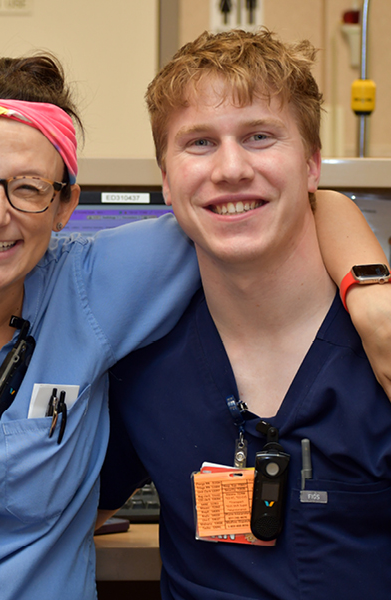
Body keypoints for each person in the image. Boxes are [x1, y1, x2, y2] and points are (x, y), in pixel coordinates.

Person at [0, 54, 388, 599]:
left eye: (30, 188)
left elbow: (283, 201)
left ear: (66, 204)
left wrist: (372, 300)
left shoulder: (99, 285)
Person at [98, 30, 391, 599]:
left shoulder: (376, 351)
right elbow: (59, 521)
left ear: (312, 165)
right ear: (165, 180)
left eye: (259, 136)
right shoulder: (143, 364)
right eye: (199, 143)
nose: (230, 168)